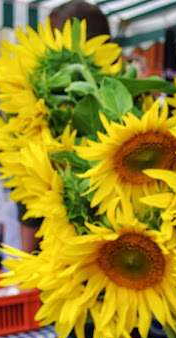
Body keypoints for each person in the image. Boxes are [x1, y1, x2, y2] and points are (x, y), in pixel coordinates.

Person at [18, 0, 112, 253]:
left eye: (53, 34)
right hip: (94, 239)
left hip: (77, 237)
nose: (49, 42)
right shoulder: (120, 88)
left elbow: (32, 184)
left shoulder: (54, 94)